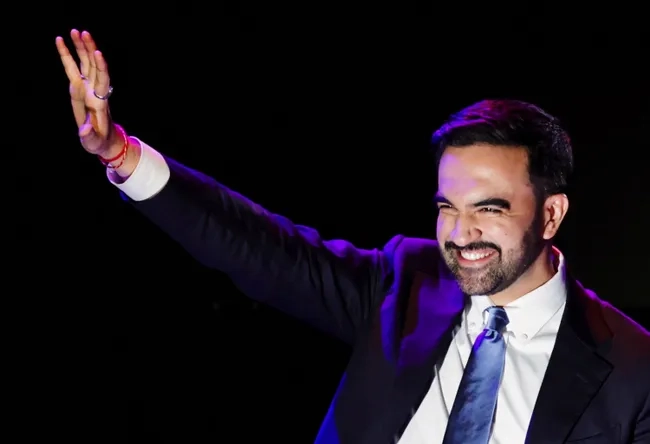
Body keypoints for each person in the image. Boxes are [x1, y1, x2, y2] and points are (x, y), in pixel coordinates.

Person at [56, 30, 650, 444]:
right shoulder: (404, 281)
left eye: (488, 209)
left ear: (551, 215)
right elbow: (260, 248)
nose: (461, 232)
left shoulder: (633, 367)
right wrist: (120, 154)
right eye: (447, 207)